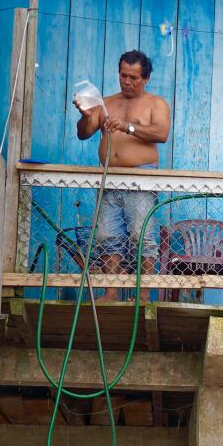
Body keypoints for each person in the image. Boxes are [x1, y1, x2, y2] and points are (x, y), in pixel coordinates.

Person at [74, 49, 171, 277]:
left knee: (141, 233)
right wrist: (86, 117)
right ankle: (111, 289)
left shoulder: (155, 104)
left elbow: (162, 133)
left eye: (134, 77)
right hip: (109, 176)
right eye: (123, 75)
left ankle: (145, 290)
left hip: (141, 177)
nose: (127, 82)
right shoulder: (105, 103)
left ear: (146, 78)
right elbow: (83, 133)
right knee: (107, 234)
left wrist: (128, 126)